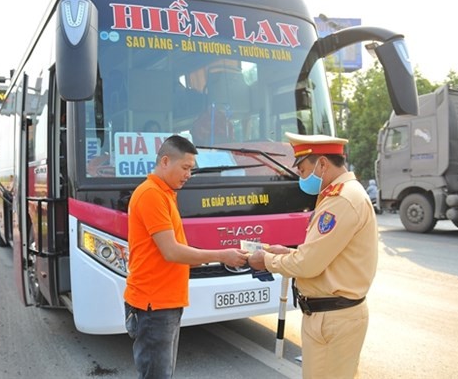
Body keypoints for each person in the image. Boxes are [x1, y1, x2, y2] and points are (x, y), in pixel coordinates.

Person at [248, 132, 378, 379]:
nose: (301, 177)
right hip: (329, 315)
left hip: (333, 318)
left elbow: (308, 265)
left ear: (322, 164)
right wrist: (288, 252)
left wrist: (266, 260)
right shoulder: (340, 194)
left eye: (304, 170)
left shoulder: (343, 199)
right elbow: (326, 253)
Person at [123, 135, 248, 379]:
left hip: (164, 302)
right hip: (153, 304)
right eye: (186, 168)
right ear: (166, 161)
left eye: (191, 169)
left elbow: (178, 250)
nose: (189, 174)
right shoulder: (151, 195)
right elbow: (172, 251)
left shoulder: (165, 193)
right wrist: (222, 255)